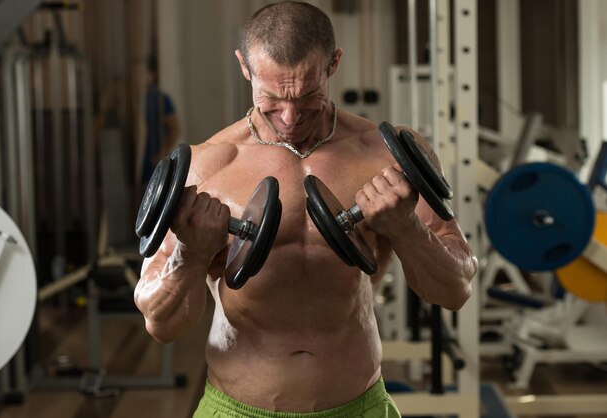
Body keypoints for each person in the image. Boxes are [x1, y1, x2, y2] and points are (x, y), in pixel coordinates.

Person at [134, 2, 478, 417]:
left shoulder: (388, 157)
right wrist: (193, 252)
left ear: (334, 63)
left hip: (359, 406)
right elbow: (160, 325)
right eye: (273, 99)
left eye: (308, 97)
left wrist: (406, 228)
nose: (291, 117)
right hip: (237, 408)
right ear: (245, 67)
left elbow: (456, 290)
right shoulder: (205, 168)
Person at [140, 55, 180, 185]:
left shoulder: (160, 99)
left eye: (141, 73)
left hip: (153, 162)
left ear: (151, 75)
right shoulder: (132, 100)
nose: (137, 77)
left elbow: (175, 130)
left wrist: (161, 155)